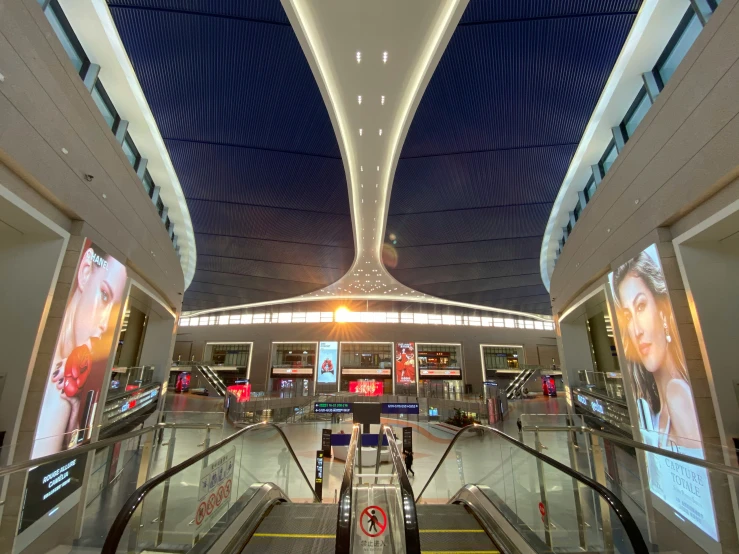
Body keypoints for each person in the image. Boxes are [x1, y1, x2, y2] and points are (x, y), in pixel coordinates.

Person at [32, 243, 128, 458]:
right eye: (104, 295)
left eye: (115, 309)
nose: (105, 324)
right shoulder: (57, 396)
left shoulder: (65, 382)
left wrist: (73, 424)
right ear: (85, 271)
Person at [613, 249, 702, 453]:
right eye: (627, 316)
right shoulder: (653, 408)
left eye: (641, 306)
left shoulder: (677, 394)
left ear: (662, 311)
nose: (636, 330)